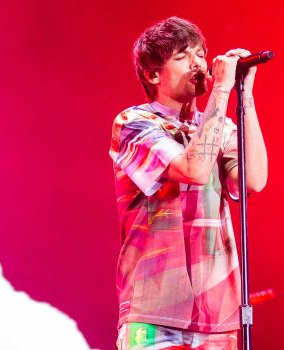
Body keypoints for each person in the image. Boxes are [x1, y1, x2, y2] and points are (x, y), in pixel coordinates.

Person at [109, 16, 268, 349]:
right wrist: (221, 90)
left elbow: (253, 179)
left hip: (217, 314)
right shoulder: (135, 123)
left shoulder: (219, 126)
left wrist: (245, 95)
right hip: (155, 314)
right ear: (154, 74)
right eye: (183, 56)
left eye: (200, 53)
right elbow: (192, 169)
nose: (199, 63)